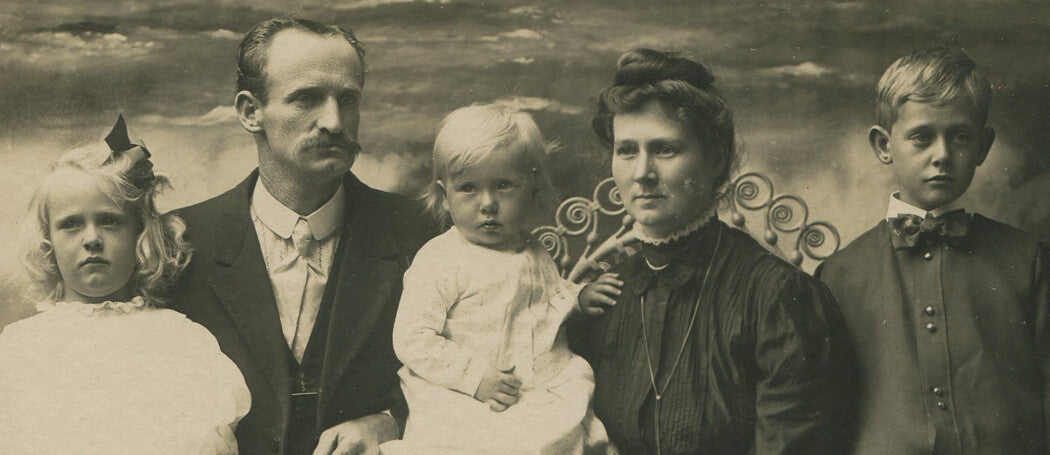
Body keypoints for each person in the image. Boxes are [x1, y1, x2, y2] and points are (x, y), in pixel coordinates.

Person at [569, 48, 855, 454]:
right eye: (627, 150)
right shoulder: (602, 298)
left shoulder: (779, 297)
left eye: (665, 149)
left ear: (716, 158)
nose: (642, 173)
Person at [171, 18, 434, 455]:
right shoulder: (178, 243)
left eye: (347, 99)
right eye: (306, 98)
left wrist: (393, 422)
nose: (334, 121)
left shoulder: (422, 233)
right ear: (250, 112)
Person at [816, 47, 1050, 454]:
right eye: (922, 137)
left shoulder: (1028, 260)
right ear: (883, 145)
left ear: (983, 147)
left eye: (960, 137)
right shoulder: (839, 275)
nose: (941, 155)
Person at [0, 116, 250, 454]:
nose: (91, 239)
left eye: (109, 221)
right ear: (48, 242)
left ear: (140, 234)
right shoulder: (19, 348)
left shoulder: (181, 340)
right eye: (71, 225)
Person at [380, 104, 621, 455]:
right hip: (464, 390)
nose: (488, 203)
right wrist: (475, 376)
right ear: (445, 196)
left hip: (533, 382)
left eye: (504, 186)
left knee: (561, 417)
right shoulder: (440, 259)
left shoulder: (533, 250)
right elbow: (413, 337)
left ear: (532, 188)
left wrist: (577, 297)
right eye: (468, 188)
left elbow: (544, 298)